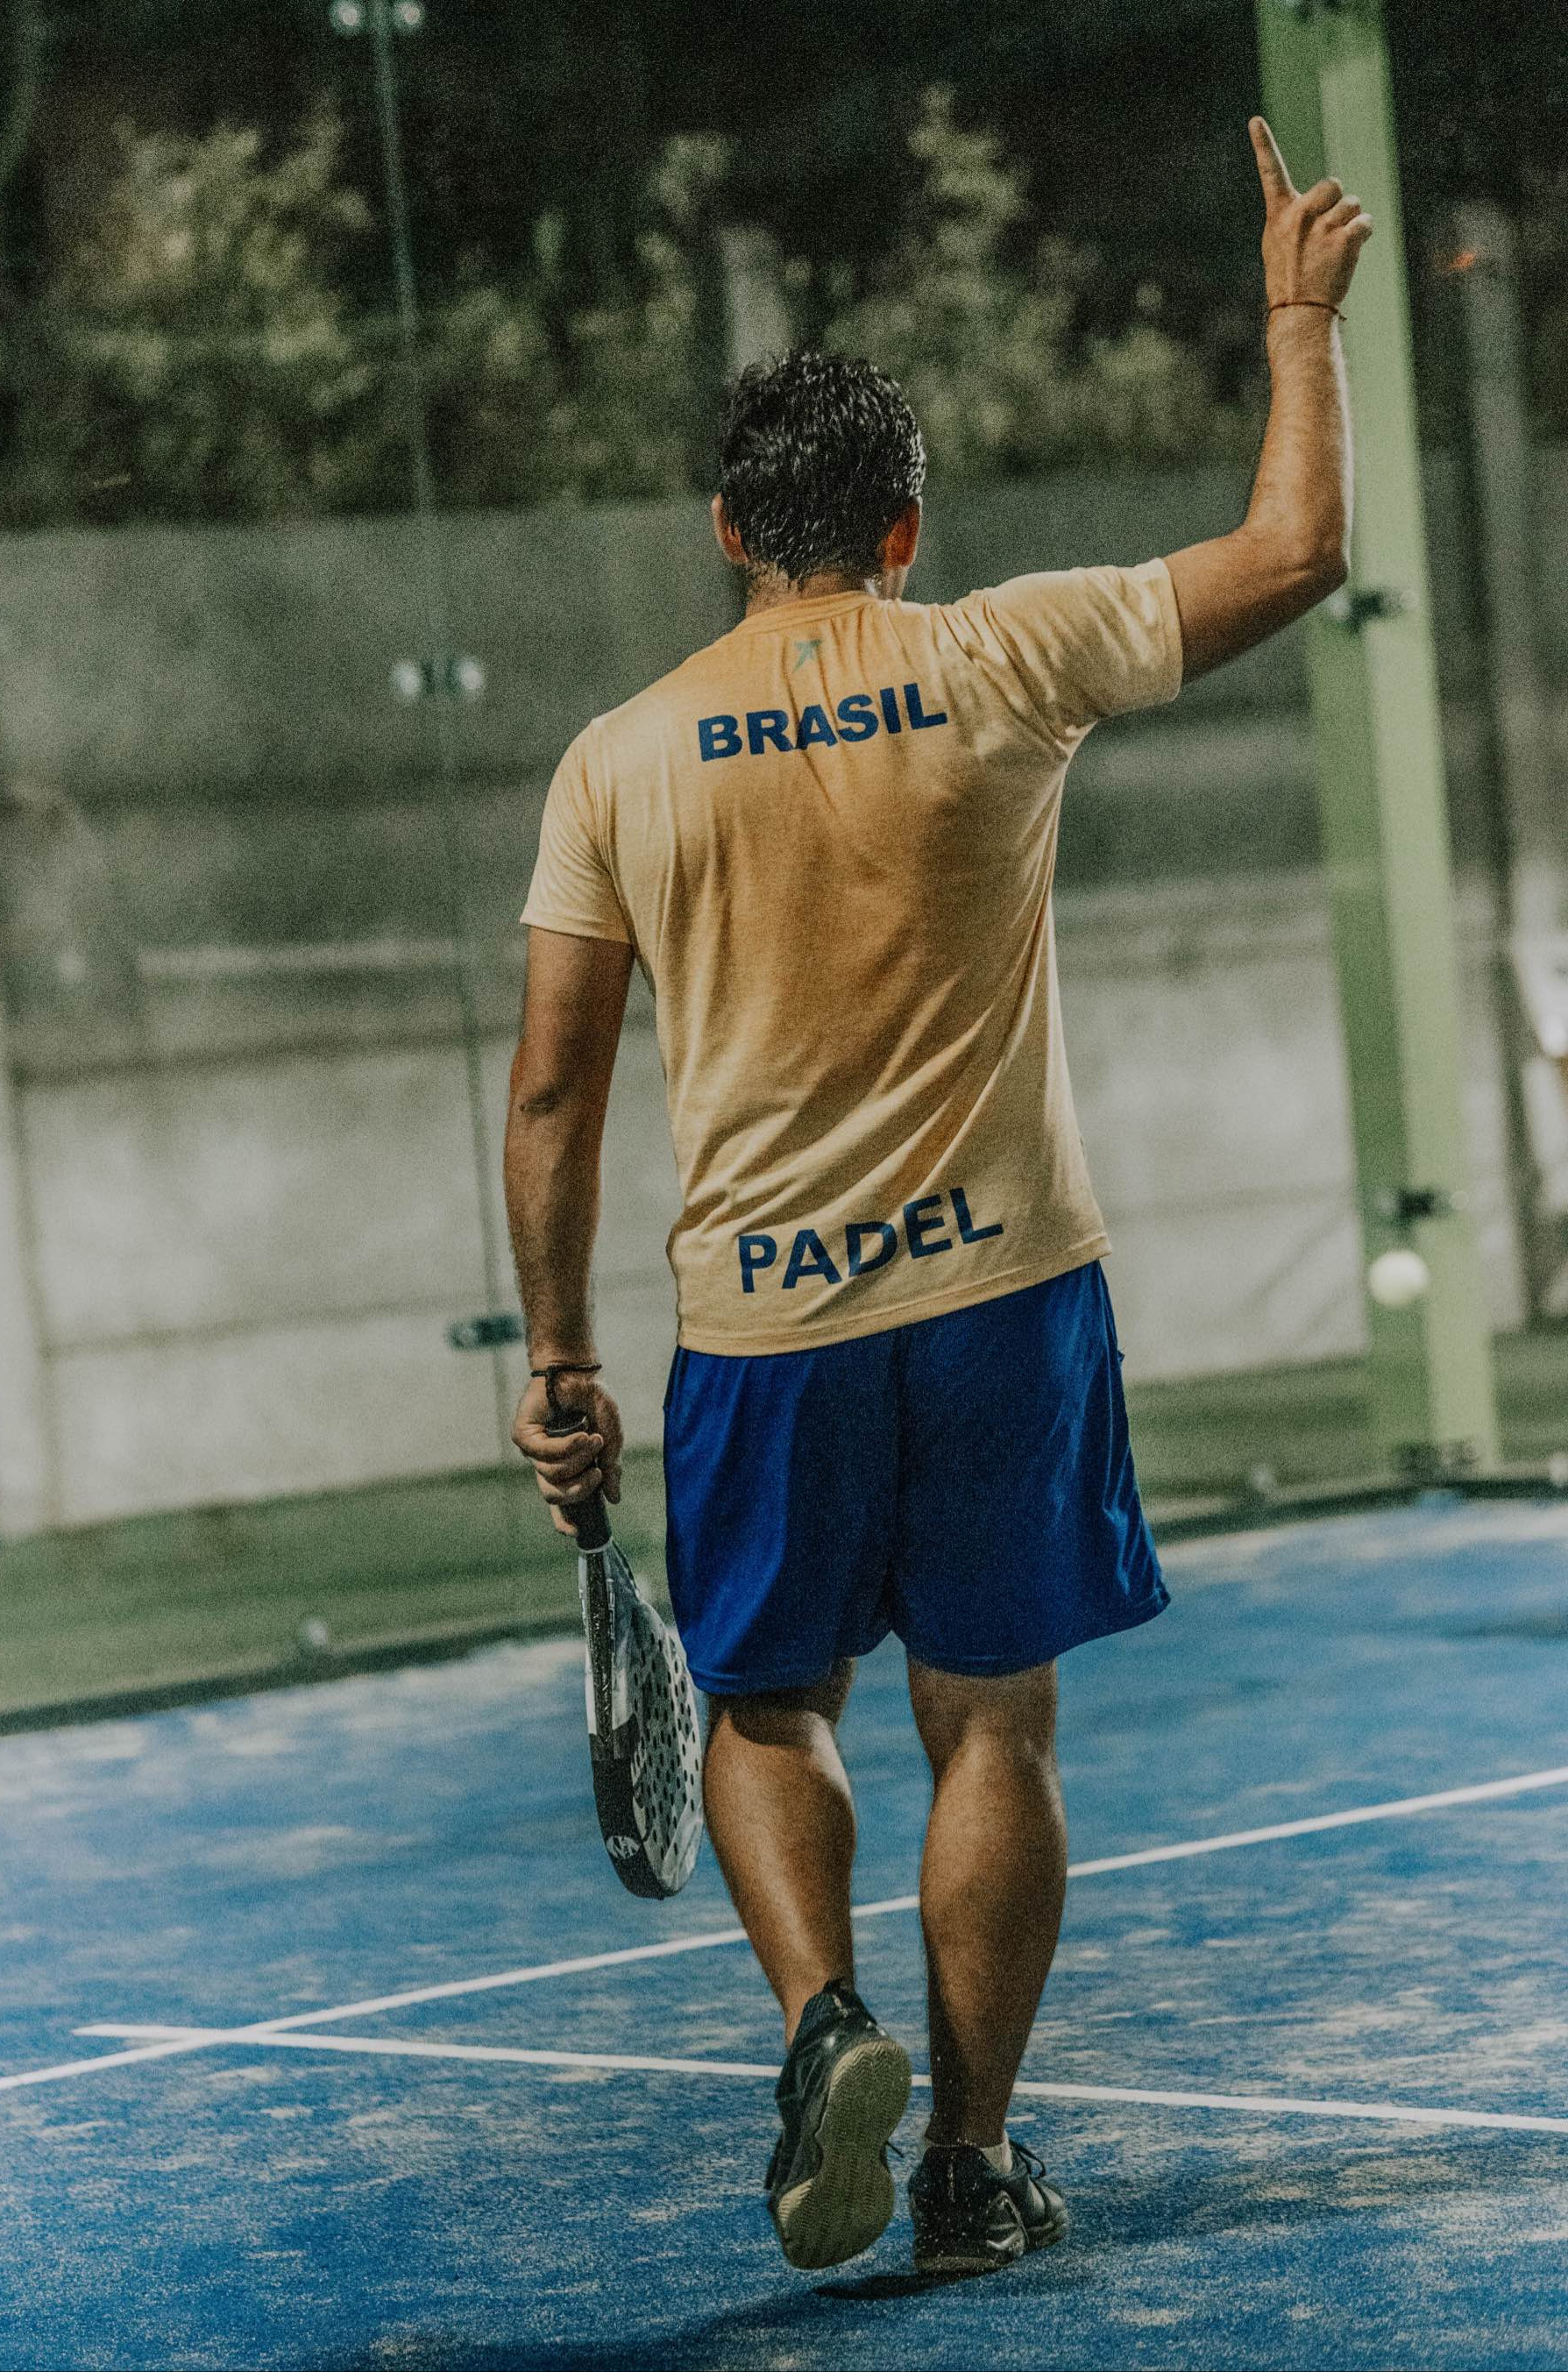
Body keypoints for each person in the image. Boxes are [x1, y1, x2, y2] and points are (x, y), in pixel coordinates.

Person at [505, 117, 1372, 2276]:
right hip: (1004, 1297)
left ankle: (824, 2023)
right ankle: (972, 2167)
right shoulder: (1002, 656)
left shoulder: (618, 756)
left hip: (763, 1323)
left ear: (728, 533)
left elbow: (552, 1089)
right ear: (904, 529)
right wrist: (1296, 320)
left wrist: (559, 1361)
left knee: (768, 1709)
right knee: (993, 1720)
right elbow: (1294, 551)